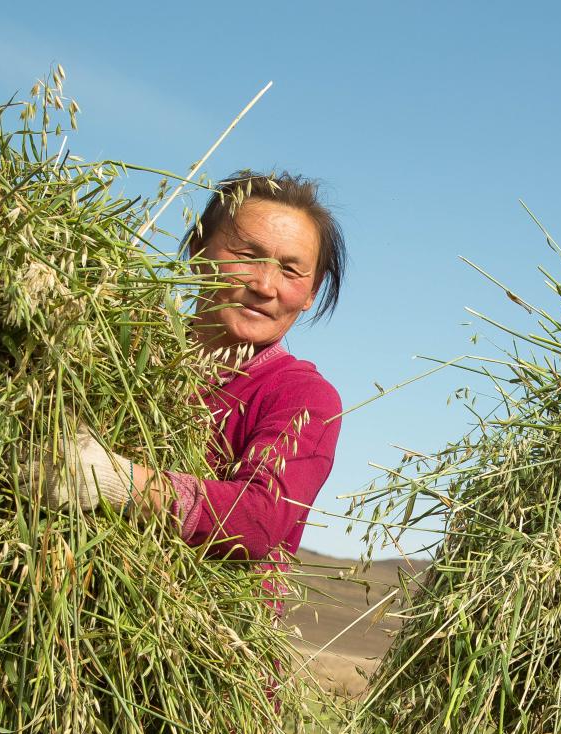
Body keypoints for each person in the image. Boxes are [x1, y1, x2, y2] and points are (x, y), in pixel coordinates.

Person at [40, 171, 346, 606]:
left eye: (291, 271)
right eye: (247, 254)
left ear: (311, 292)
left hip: (199, 652)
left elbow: (258, 519)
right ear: (197, 252)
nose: (264, 285)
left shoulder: (303, 397)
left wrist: (115, 481)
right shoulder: (115, 351)